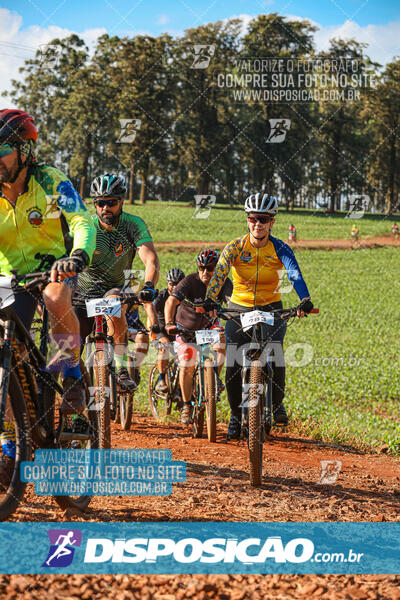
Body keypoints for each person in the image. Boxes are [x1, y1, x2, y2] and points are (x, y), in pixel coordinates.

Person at [0, 109, 96, 485]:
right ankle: (11, 441)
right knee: (7, 357)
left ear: (24, 151)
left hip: (54, 269)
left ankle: (71, 375)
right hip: (10, 277)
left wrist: (77, 256)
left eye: (1, 151)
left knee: (57, 299)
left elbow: (81, 221)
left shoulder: (49, 181)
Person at [204, 192, 313, 439]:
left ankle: (276, 404)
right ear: (247, 220)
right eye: (253, 218)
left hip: (271, 306)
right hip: (239, 308)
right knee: (232, 361)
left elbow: (293, 274)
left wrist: (304, 299)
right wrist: (211, 299)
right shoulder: (234, 247)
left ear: (272, 222)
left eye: (263, 219)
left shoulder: (280, 247)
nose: (258, 224)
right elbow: (220, 273)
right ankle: (234, 415)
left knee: (275, 351)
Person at [73, 173, 159, 391]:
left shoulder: (133, 224)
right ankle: (75, 389)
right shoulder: (88, 226)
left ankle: (120, 368)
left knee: (113, 302)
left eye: (111, 202)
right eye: (100, 203)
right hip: (83, 290)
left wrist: (148, 285)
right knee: (73, 345)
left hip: (115, 286)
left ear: (121, 201)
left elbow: (150, 258)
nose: (105, 208)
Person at [164, 250, 232, 424]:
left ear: (217, 269)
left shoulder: (223, 282)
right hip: (186, 328)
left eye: (210, 269)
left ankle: (214, 376)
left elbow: (231, 302)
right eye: (202, 268)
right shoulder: (190, 282)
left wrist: (234, 316)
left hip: (208, 326)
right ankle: (186, 405)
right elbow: (171, 301)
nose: (205, 273)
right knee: (187, 365)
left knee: (222, 339)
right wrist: (169, 323)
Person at [152, 267, 185, 394]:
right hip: (161, 331)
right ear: (167, 283)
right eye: (172, 284)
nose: (175, 287)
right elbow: (151, 312)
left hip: (179, 332)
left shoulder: (185, 296)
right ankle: (161, 379)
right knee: (165, 347)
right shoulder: (162, 296)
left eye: (179, 284)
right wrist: (153, 330)